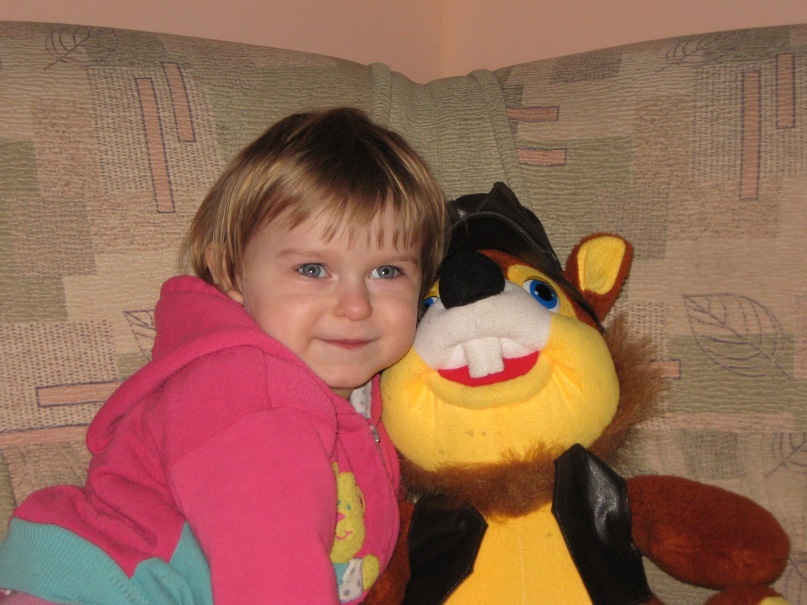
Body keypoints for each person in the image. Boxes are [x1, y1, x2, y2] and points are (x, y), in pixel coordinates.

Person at [0, 108, 447, 605]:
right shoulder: (255, 397)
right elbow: (274, 580)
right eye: (313, 269)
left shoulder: (361, 388)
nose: (356, 305)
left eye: (386, 272)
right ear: (232, 273)